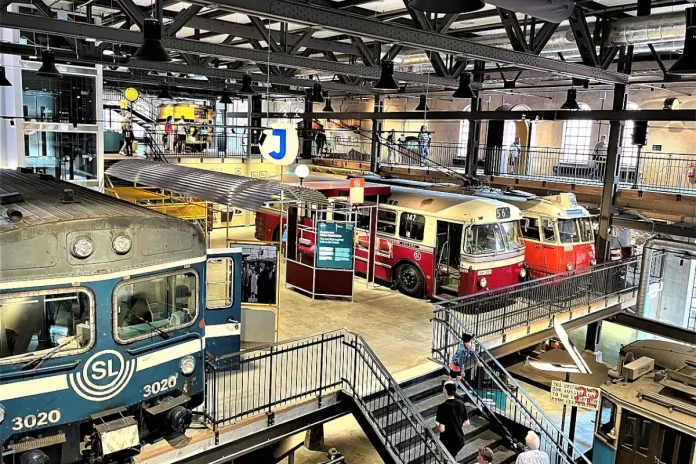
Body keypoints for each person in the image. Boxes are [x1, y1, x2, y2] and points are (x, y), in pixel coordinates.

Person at [435, 381, 470, 458]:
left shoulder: (442, 407)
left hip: (447, 441)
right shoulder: (461, 403)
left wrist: (437, 424)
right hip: (459, 439)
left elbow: (442, 429)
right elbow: (467, 422)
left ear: (445, 391)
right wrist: (457, 424)